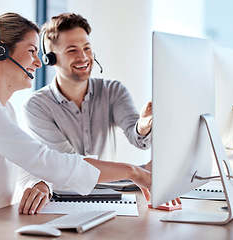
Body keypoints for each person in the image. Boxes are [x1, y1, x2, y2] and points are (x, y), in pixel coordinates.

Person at [0, 12, 152, 231]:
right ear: (0, 52)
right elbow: (45, 160)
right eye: (31, 51)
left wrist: (42, 184)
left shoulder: (2, 107)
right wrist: (133, 172)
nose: (38, 63)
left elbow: (24, 167)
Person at [20, 13, 152, 191]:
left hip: (109, 194)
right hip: (64, 198)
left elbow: (140, 141)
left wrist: (142, 126)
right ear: (50, 58)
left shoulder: (113, 90)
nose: (83, 57)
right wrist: (135, 172)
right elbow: (74, 167)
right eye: (72, 50)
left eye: (87, 48)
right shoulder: (36, 106)